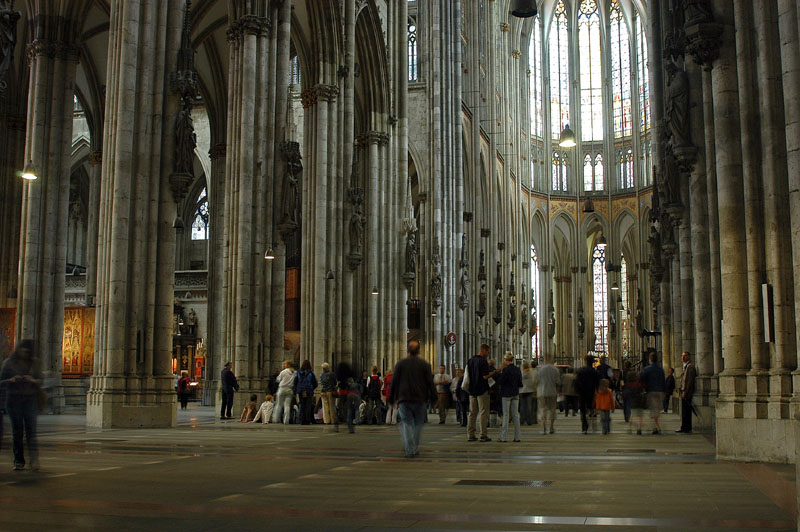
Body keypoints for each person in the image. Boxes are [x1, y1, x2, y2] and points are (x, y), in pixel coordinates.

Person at [389, 340, 438, 458]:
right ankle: (413, 447)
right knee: (418, 425)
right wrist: (433, 397)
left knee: (406, 424)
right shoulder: (424, 365)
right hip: (420, 399)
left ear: (408, 350)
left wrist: (391, 397)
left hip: (404, 398)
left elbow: (394, 382)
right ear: (419, 351)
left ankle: (410, 449)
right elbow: (430, 382)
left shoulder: (401, 364)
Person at [0, 340, 41, 471]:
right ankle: (18, 460)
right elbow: (1, 381)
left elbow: (42, 380)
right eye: (23, 350)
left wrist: (33, 380)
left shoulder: (35, 363)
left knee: (31, 431)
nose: (25, 353)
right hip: (14, 400)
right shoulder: (9, 363)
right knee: (17, 431)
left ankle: (34, 460)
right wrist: (10, 380)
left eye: (28, 351)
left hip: (30, 399)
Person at [465, 344, 499, 442]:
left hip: (472, 390)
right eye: (488, 352)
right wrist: (496, 372)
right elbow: (485, 376)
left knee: (472, 413)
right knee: (484, 412)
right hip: (482, 390)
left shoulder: (470, 360)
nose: (488, 354)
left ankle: (470, 434)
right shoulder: (483, 361)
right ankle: (483, 434)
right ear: (483, 350)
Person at [495, 353, 522, 442]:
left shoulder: (505, 370)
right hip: (515, 393)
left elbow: (500, 381)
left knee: (506, 415)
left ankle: (504, 437)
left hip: (506, 394)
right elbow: (520, 382)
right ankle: (517, 437)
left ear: (506, 360)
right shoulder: (517, 369)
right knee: (515, 415)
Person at [534, 356, 561, 434]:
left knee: (542, 409)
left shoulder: (540, 370)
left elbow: (536, 381)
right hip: (552, 392)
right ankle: (551, 427)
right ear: (551, 360)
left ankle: (543, 428)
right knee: (552, 410)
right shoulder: (555, 370)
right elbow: (558, 382)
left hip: (541, 392)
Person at [641, 352, 666, 434]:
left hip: (651, 391)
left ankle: (656, 427)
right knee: (657, 409)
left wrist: (643, 389)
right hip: (659, 391)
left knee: (653, 409)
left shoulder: (647, 369)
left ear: (650, 360)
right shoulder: (660, 369)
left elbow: (643, 380)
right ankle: (656, 425)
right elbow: (663, 381)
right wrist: (664, 392)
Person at [575, 355, 600, 434]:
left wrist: (577, 391)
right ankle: (592, 424)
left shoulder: (581, 371)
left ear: (585, 361)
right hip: (591, 392)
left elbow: (576, 382)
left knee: (582, 409)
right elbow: (597, 384)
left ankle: (584, 426)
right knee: (591, 407)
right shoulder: (595, 372)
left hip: (582, 392)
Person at [334, 362, 361, 433]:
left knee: (340, 407)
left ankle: (337, 422)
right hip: (348, 392)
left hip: (342, 392)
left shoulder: (339, 376)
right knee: (349, 408)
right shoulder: (349, 377)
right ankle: (350, 426)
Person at [677, 351, 697, 434]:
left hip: (687, 393)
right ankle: (684, 427)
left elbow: (689, 381)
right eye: (682, 356)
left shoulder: (690, 367)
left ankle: (686, 427)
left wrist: (685, 391)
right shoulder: (685, 367)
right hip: (683, 392)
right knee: (684, 411)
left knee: (686, 411)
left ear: (689, 357)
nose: (683, 358)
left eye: (685, 356)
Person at [273, 360, 297, 424]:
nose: (284, 365)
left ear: (288, 365)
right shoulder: (294, 372)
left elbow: (278, 380)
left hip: (282, 389)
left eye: (285, 364)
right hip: (290, 389)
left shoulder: (283, 372)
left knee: (279, 404)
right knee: (287, 405)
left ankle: (276, 419)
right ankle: (286, 420)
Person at [622, 367, 645, 434]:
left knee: (632, 415)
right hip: (640, 402)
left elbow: (626, 393)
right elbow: (642, 390)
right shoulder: (639, 384)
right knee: (640, 416)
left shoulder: (627, 385)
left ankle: (630, 427)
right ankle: (639, 428)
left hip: (632, 402)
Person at [296, 360, 318, 425]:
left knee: (302, 405)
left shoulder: (299, 373)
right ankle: (308, 420)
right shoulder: (311, 373)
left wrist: (298, 389)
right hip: (308, 390)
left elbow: (296, 382)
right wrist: (312, 388)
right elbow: (315, 383)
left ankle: (302, 420)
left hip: (301, 390)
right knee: (308, 405)